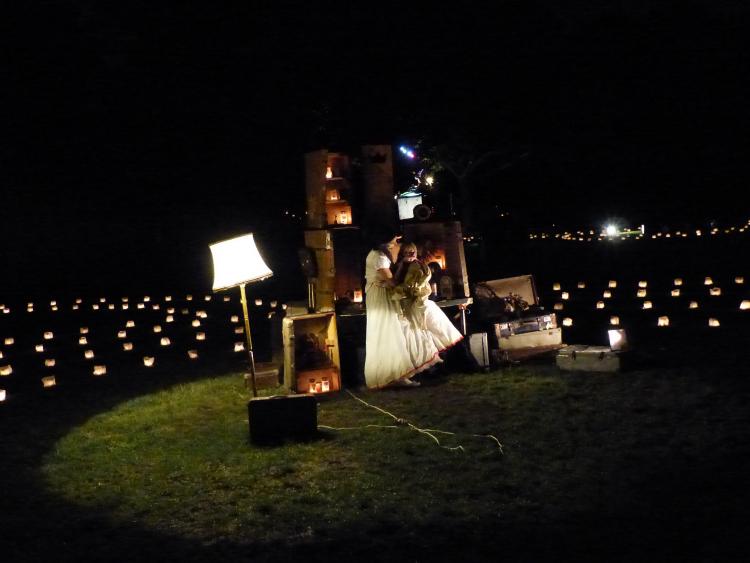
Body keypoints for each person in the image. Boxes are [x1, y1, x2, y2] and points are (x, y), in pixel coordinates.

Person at [364, 230, 438, 389]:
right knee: (391, 331)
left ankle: (394, 375)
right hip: (380, 295)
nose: (395, 245)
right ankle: (396, 375)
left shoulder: (377, 254)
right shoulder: (380, 258)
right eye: (394, 242)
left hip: (379, 293)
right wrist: (404, 266)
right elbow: (392, 282)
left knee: (391, 332)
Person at [393, 241, 464, 356]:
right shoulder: (402, 266)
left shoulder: (419, 266)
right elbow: (397, 282)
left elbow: (414, 285)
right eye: (406, 252)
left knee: (434, 333)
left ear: (416, 252)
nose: (409, 255)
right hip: (406, 305)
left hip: (418, 303)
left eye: (411, 252)